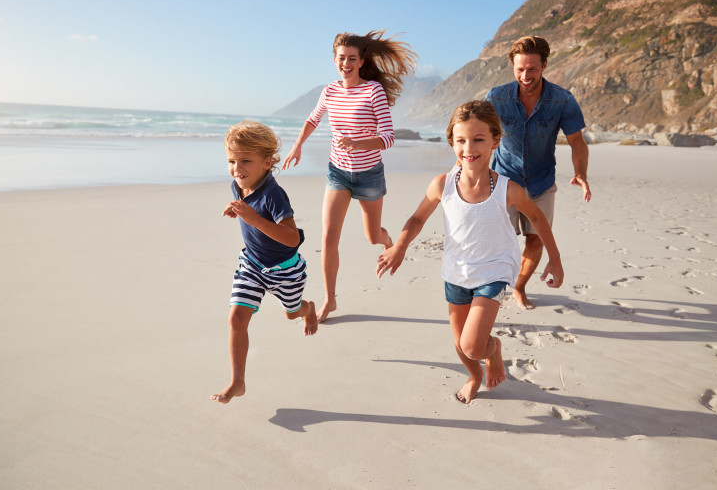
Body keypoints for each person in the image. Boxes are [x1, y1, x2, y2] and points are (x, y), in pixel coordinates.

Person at [376, 101, 564, 404]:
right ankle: (475, 375)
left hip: (495, 270)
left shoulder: (508, 189)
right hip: (456, 271)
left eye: (478, 139)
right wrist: (400, 245)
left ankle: (493, 349)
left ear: (495, 141)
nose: (469, 148)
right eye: (461, 140)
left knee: (475, 346)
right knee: (462, 346)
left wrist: (554, 259)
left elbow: (538, 218)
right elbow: (417, 218)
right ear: (452, 142)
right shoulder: (442, 184)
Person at [282, 30, 417, 322]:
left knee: (372, 236)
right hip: (338, 173)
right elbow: (313, 119)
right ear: (335, 60)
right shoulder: (330, 91)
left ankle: (387, 239)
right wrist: (297, 146)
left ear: (361, 61)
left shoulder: (373, 91)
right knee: (329, 237)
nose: (346, 63)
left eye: (352, 58)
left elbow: (388, 137)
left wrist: (358, 143)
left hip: (369, 175)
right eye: (341, 58)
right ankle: (330, 299)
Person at [212, 121, 318, 404]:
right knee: (236, 318)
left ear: (267, 163)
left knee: (291, 313)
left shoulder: (274, 194)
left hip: (286, 271)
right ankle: (238, 381)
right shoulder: (238, 185)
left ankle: (308, 309)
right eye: (232, 161)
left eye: (245, 160)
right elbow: (247, 209)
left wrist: (254, 219)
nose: (237, 168)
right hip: (252, 266)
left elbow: (292, 238)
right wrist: (236, 209)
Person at [485, 35, 590, 310]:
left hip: (541, 182)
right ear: (512, 66)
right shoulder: (496, 97)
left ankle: (518, 288)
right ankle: (495, 289)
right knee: (501, 244)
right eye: (520, 69)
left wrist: (581, 173)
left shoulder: (562, 100)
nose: (525, 75)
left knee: (536, 241)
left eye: (532, 69)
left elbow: (577, 142)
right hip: (503, 181)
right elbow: (478, 134)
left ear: (544, 65)